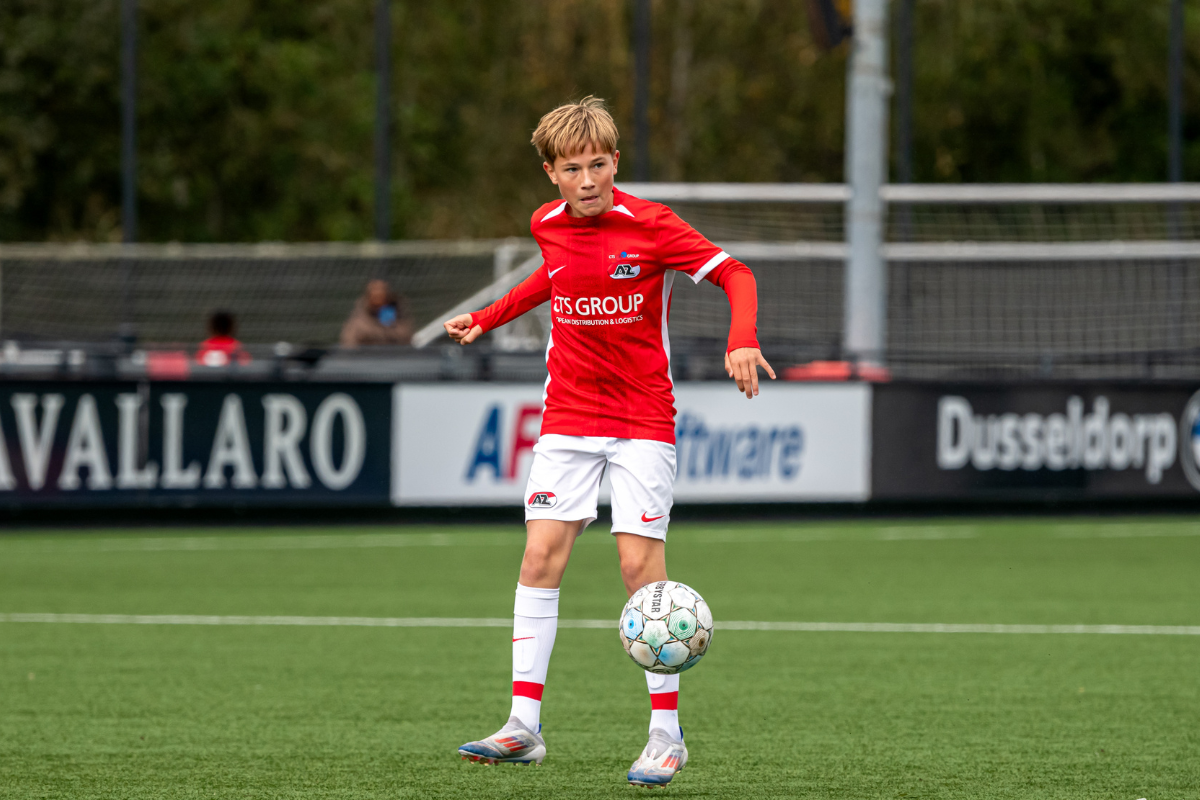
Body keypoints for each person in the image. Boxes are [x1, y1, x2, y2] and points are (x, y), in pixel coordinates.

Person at [444, 96, 773, 787]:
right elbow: (555, 278)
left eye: (599, 164)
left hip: (641, 419)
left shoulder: (651, 224)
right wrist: (489, 316)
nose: (588, 179)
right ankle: (523, 727)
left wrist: (742, 338)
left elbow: (735, 272)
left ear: (615, 162)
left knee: (637, 569)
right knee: (540, 557)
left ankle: (666, 737)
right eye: (573, 169)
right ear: (551, 174)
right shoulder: (546, 225)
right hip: (567, 415)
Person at [340, 279, 413, 347]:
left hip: (393, 354)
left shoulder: (397, 315)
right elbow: (349, 342)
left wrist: (389, 328)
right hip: (366, 355)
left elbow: (406, 336)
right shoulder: (359, 318)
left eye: (381, 295)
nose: (378, 297)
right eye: (375, 295)